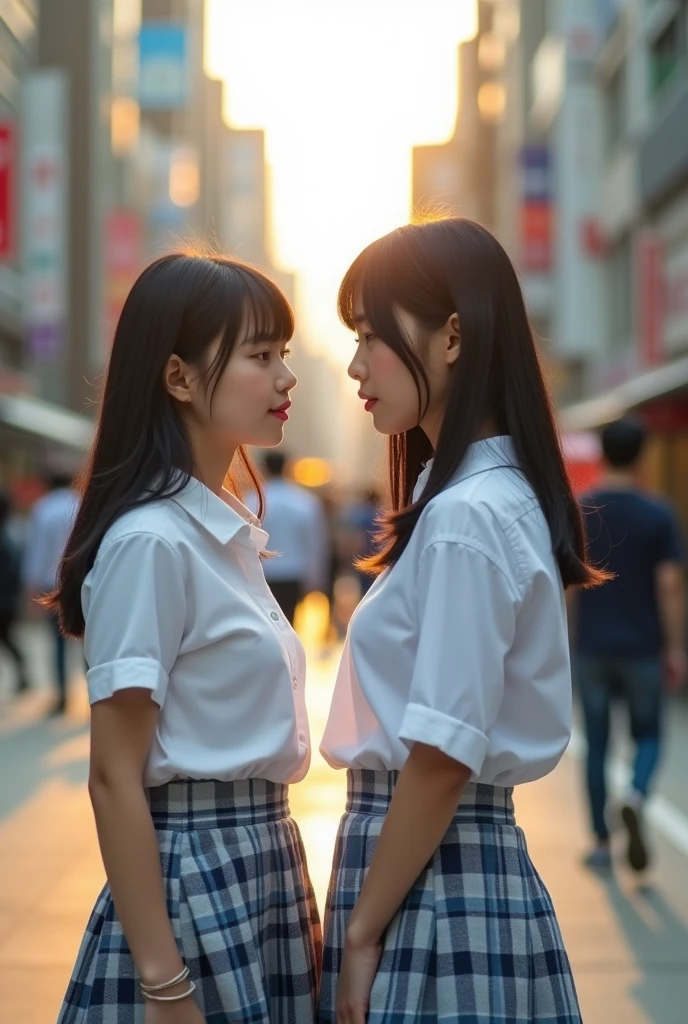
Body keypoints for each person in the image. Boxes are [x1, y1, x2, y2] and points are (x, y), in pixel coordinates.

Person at [319, 217, 604, 1024]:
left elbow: (442, 754)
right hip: (455, 866)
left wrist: (364, 933)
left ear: (451, 337)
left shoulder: (465, 517)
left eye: (372, 335)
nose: (354, 364)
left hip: (434, 881)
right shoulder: (478, 500)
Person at [50, 253, 320, 1023]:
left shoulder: (221, 535)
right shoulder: (152, 542)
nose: (284, 379)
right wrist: (164, 983)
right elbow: (112, 777)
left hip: (258, 868)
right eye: (260, 356)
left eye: (286, 356)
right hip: (192, 883)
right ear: (177, 377)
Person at [571, 417, 686, 873]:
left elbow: (568, 585)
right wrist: (674, 647)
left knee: (596, 744)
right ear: (641, 456)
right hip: (641, 647)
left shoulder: (581, 511)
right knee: (650, 734)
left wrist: (565, 641)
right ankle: (636, 794)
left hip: (592, 647)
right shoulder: (658, 514)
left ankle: (601, 841)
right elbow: (670, 585)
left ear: (602, 452)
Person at [250, 450, 328, 625]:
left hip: (261, 573)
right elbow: (315, 542)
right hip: (294, 572)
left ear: (264, 469)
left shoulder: (252, 500)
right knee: (289, 623)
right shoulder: (304, 501)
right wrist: (316, 577)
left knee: (264, 624)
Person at [23, 471, 79, 713]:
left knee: (57, 642)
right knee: (90, 640)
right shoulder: (80, 503)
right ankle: (95, 694)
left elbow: (36, 551)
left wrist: (31, 589)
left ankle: (61, 697)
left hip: (50, 584)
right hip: (79, 581)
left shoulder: (43, 509)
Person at [0, 488, 29, 695]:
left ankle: (23, 674)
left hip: (4, 600)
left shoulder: (9, 540)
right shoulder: (14, 536)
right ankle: (23, 674)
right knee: (8, 638)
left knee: (7, 638)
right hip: (8, 599)